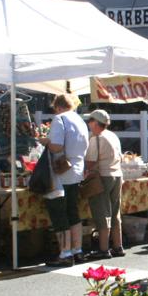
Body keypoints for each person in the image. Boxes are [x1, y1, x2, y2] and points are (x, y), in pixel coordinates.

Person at [43, 94, 89, 266]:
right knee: (72, 210)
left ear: (57, 106)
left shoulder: (59, 119)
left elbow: (56, 146)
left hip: (61, 171)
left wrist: (44, 141)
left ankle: (65, 253)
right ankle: (77, 250)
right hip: (77, 169)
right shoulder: (80, 120)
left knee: (58, 211)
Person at [83, 109, 125, 259]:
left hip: (102, 176)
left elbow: (91, 161)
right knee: (115, 212)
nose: (88, 124)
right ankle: (118, 246)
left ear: (95, 123)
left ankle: (103, 248)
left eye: (90, 121)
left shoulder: (96, 138)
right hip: (117, 175)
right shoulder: (112, 135)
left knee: (102, 212)